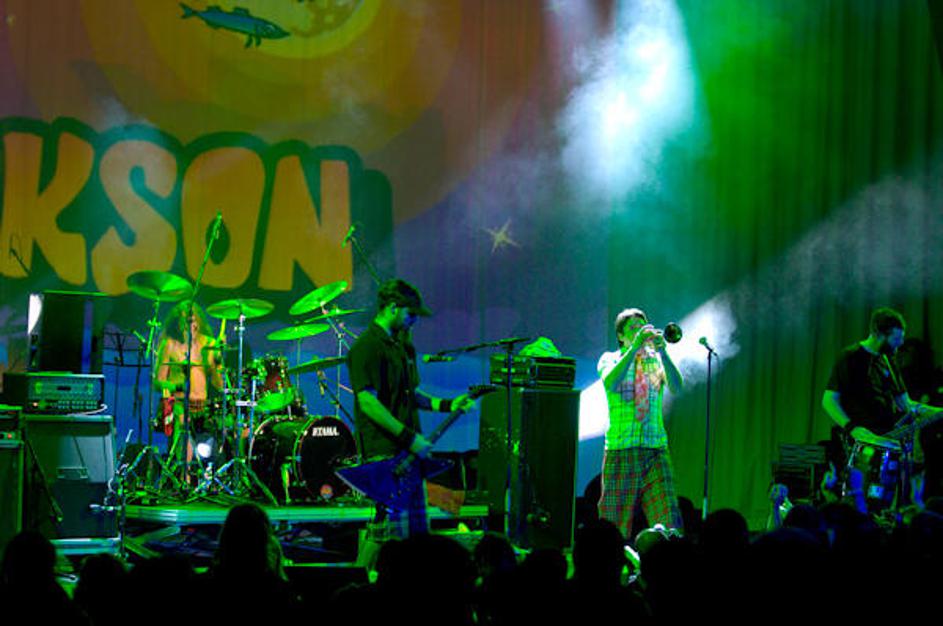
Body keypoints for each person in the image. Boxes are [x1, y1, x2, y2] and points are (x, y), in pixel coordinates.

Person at [346, 278, 474, 541]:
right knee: (391, 536)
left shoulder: (402, 347)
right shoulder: (366, 347)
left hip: (408, 452)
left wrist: (448, 405)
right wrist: (409, 437)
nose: (414, 320)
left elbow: (410, 394)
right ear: (393, 307)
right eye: (411, 314)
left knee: (415, 535)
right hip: (385, 454)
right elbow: (368, 403)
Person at [822, 307, 942, 507]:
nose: (900, 343)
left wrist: (938, 412)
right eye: (896, 338)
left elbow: (907, 405)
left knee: (883, 504)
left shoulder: (888, 361)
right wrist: (852, 428)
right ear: (878, 334)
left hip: (887, 443)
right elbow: (828, 400)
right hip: (862, 446)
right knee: (859, 502)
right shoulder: (850, 357)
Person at [597, 308, 684, 540]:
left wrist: (663, 352)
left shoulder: (655, 360)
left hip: (655, 450)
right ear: (620, 335)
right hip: (621, 449)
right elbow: (611, 382)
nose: (639, 331)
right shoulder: (610, 358)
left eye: (642, 326)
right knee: (613, 526)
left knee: (668, 519)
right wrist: (635, 348)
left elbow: (677, 387)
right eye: (633, 328)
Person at [153, 300, 224, 462]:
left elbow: (219, 385)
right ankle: (184, 474)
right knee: (183, 430)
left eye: (192, 321)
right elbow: (158, 382)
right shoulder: (169, 345)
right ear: (178, 323)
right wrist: (177, 387)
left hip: (204, 407)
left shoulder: (209, 344)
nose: (190, 326)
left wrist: (217, 361)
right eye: (185, 322)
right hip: (178, 406)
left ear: (198, 322)